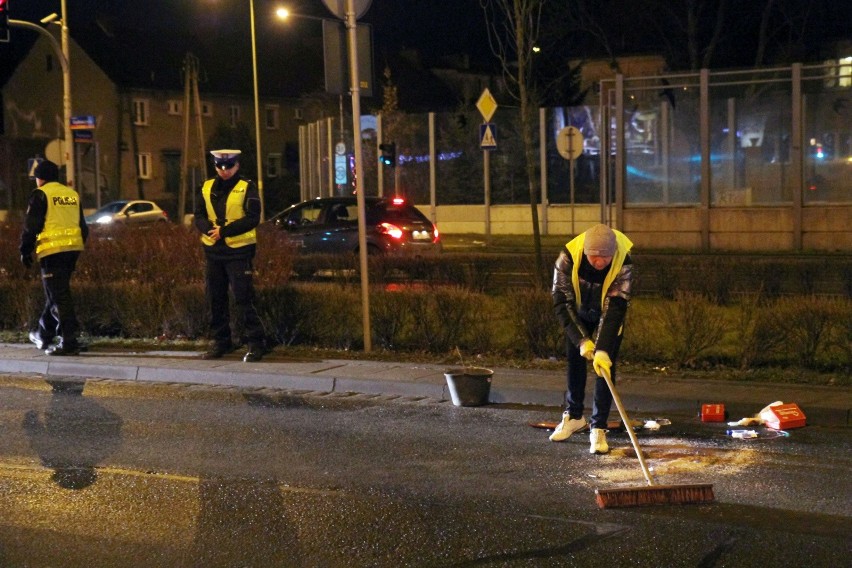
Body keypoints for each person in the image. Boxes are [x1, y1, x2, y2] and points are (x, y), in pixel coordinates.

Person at [550, 223, 634, 454]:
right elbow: (561, 300)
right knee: (574, 360)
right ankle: (574, 416)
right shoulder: (567, 258)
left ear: (613, 254)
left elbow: (617, 306)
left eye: (604, 258)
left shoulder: (622, 261)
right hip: (577, 310)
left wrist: (603, 349)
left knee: (604, 368)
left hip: (607, 314)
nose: (599, 263)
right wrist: (581, 340)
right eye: (594, 258)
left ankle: (599, 427)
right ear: (585, 252)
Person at [194, 149, 268, 362]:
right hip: (213, 251)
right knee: (215, 298)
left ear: (237, 166)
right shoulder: (207, 186)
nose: (224, 171)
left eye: (229, 167)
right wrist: (207, 229)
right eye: (220, 167)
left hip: (239, 251)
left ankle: (256, 343)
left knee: (243, 298)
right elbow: (198, 214)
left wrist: (224, 231)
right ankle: (221, 341)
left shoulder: (247, 187)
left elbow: (253, 218)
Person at [19, 160, 89, 356]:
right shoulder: (72, 194)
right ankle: (45, 334)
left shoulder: (41, 194)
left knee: (59, 297)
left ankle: (69, 341)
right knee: (56, 293)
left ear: (41, 179)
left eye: (36, 178)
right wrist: (76, 247)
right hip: (72, 250)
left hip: (53, 252)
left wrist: (25, 250)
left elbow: (30, 226)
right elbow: (83, 227)